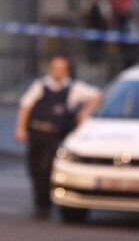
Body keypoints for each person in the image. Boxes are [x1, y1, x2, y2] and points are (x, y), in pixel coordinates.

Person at [14, 56, 101, 218]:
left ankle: (45, 205)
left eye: (60, 69)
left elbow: (96, 95)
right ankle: (40, 201)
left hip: (55, 135)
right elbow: (25, 105)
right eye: (54, 68)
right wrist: (21, 128)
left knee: (46, 169)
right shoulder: (41, 85)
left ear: (67, 71)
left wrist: (84, 112)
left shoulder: (73, 88)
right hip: (37, 132)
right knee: (34, 169)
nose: (56, 72)